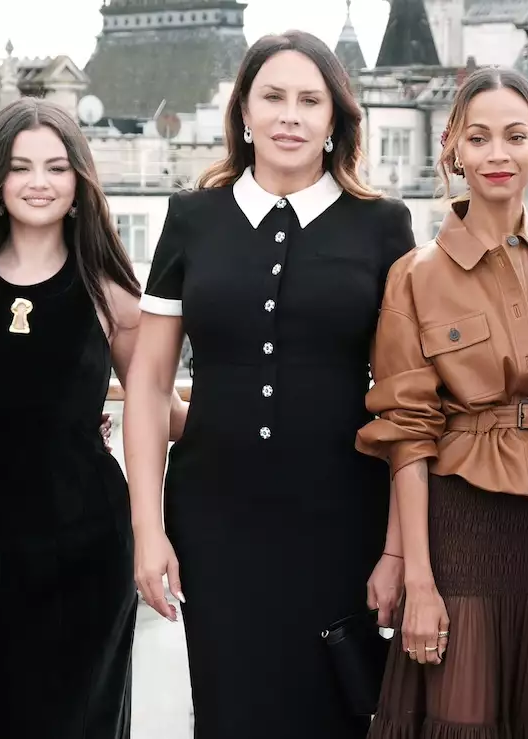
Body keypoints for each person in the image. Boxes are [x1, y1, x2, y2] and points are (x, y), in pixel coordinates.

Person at [123, 30, 415, 739]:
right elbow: (150, 380)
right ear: (244, 114)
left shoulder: (383, 225)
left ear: (335, 119)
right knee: (230, 712)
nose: (291, 115)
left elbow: (407, 398)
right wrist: (148, 530)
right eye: (273, 97)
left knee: (335, 710)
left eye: (310, 100)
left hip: (342, 519)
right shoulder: (191, 219)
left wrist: (397, 549)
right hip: (215, 522)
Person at [0, 97, 186, 739]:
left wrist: (264, 399)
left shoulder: (111, 293)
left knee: (81, 723)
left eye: (56, 167)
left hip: (86, 548)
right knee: (2, 718)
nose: (38, 182)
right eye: (20, 167)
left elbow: (160, 409)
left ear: (79, 185)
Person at [355, 66, 528, 737]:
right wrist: (418, 580)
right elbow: (407, 432)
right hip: (460, 526)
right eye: (479, 137)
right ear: (452, 149)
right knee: (460, 716)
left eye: (515, 135)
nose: (498, 154)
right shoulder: (415, 275)